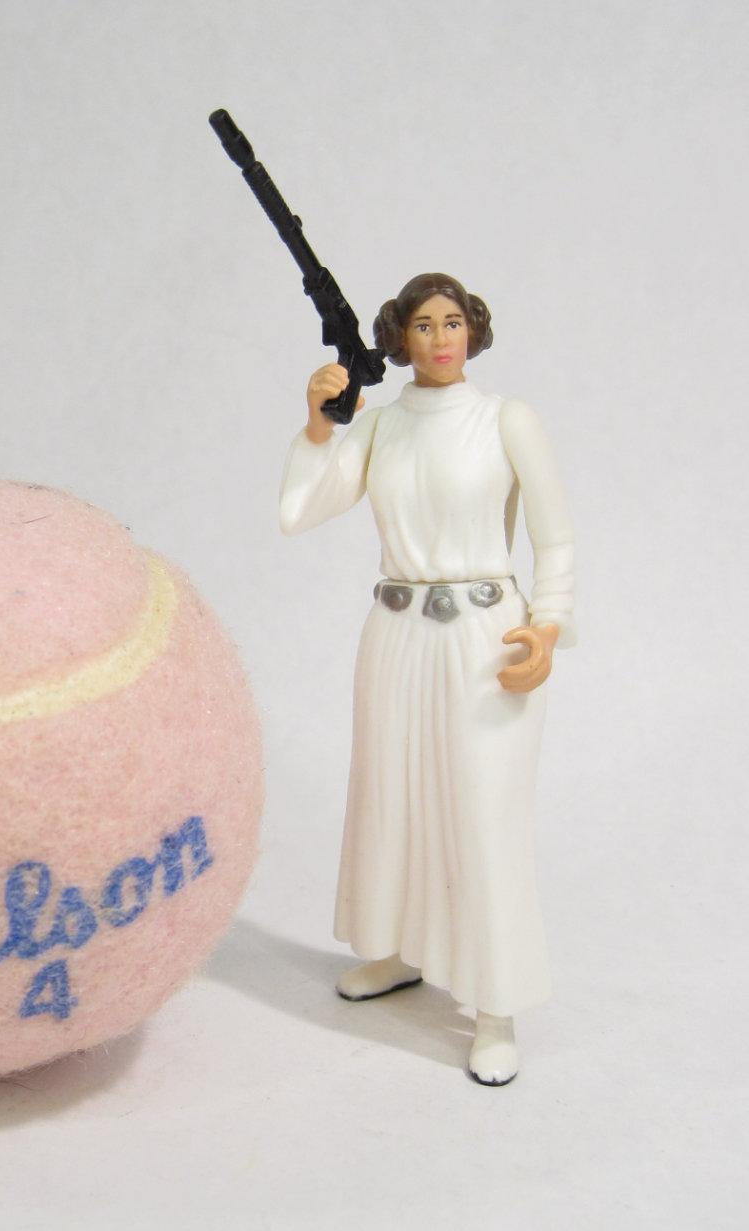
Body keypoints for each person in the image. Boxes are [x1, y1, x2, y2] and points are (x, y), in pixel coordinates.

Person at [279, 272, 575, 1085]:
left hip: (486, 638)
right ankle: (401, 949)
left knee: (482, 815)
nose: (440, 337)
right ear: (398, 339)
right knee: (394, 800)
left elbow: (553, 538)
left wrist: (547, 624)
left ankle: (495, 1006)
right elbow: (300, 510)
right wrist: (318, 424)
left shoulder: (505, 418)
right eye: (422, 325)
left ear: (472, 329)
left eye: (452, 321)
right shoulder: (380, 426)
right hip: (395, 633)